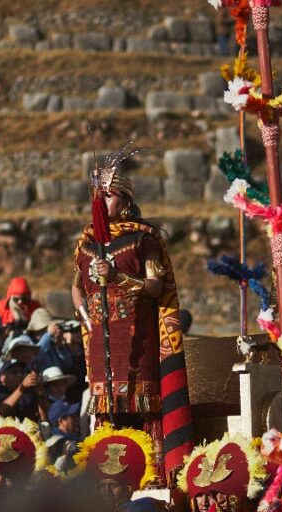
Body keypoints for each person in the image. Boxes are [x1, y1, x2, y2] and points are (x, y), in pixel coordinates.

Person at [71, 145, 193, 478]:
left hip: (139, 339)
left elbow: (156, 287)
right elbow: (76, 286)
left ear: (125, 203)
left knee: (143, 411)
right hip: (101, 343)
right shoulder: (85, 244)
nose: (102, 202)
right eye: (100, 196)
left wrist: (119, 278)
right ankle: (108, 476)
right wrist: (88, 320)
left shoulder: (143, 241)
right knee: (106, 413)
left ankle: (151, 475)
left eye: (109, 196)